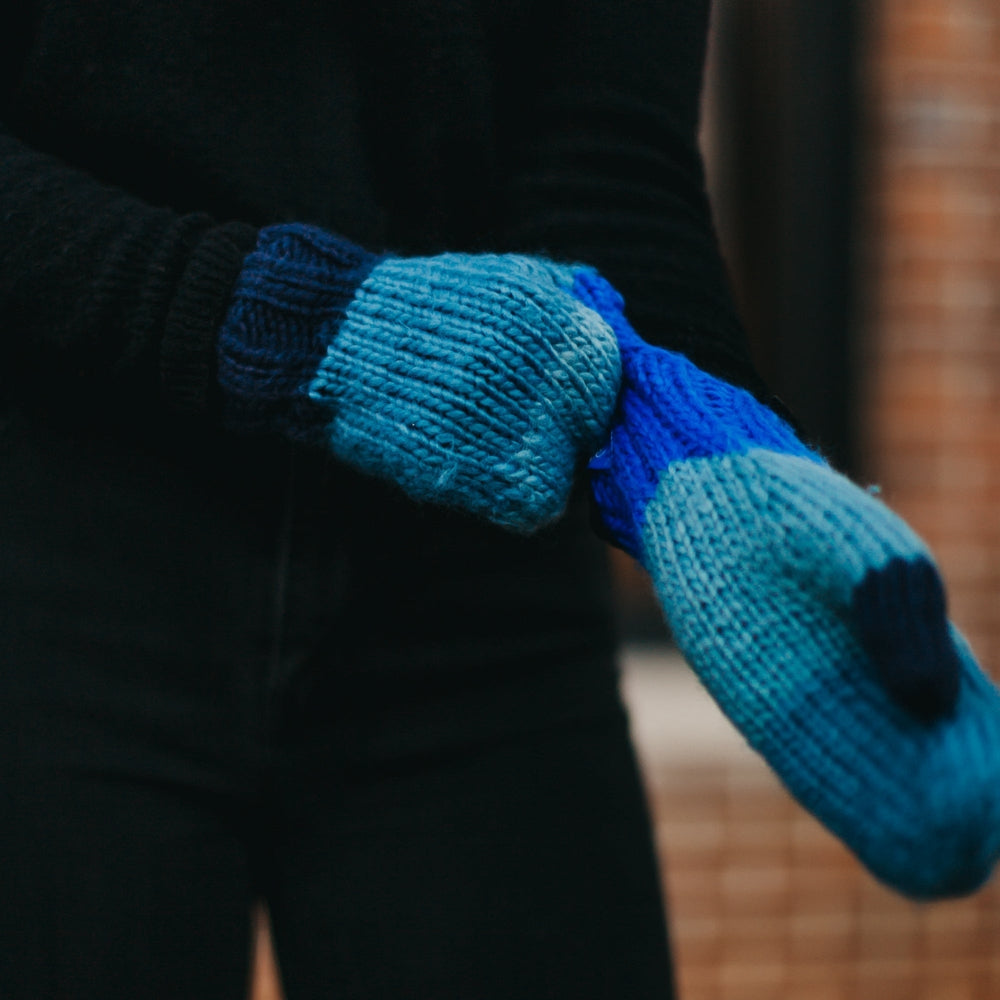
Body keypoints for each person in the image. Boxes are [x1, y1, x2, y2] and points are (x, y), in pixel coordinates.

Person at [5, 1, 999, 998]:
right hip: (49, 573)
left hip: (473, 577)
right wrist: (281, 323)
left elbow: (605, 154)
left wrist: (696, 447)